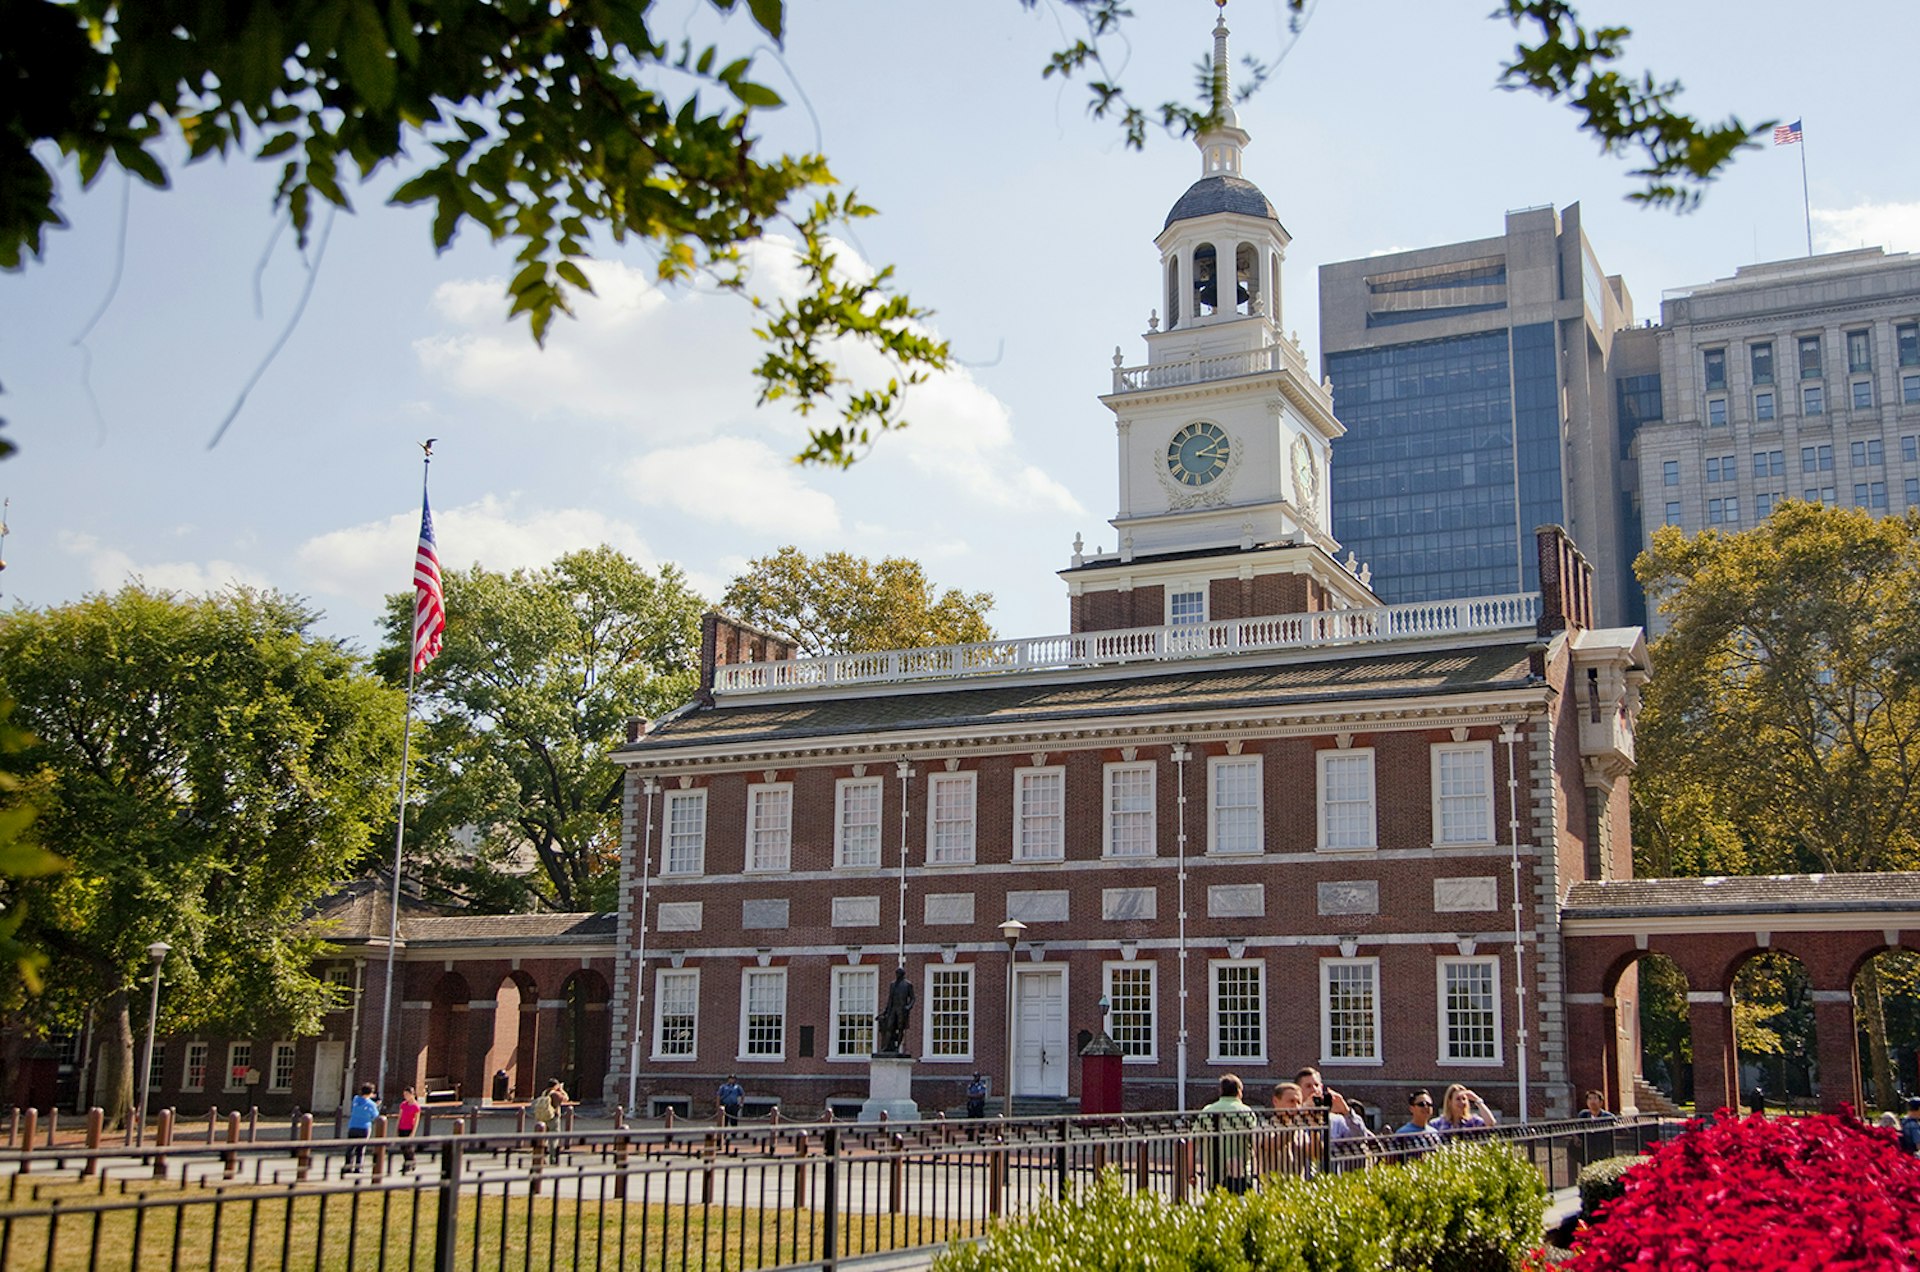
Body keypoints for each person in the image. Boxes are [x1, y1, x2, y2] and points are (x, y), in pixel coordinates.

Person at [1197, 1074, 1257, 1194]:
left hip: (1215, 1175)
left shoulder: (1207, 1111)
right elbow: (1255, 1141)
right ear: (1239, 1092)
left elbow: (1192, 1142)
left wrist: (1190, 1171)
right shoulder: (1246, 1112)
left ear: (1221, 1091)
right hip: (1241, 1173)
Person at [1295, 1067, 1362, 1140]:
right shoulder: (1292, 1117)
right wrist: (1302, 1112)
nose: (1314, 1089)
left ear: (1321, 1087)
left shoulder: (1336, 1120)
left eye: (1317, 1085)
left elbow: (1360, 1138)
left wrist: (1347, 1112)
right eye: (1308, 1086)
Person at [1394, 1089, 1443, 1158]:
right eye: (1421, 1104)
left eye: (1429, 1104)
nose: (1426, 1107)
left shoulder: (1435, 1133)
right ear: (1411, 1108)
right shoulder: (1402, 1134)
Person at [344, 1082, 379, 1174]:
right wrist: (376, 1105)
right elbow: (375, 1116)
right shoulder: (371, 1104)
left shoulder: (355, 1099)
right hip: (364, 1127)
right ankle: (358, 1167)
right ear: (371, 1092)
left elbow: (361, 1101)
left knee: (350, 1148)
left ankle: (348, 1166)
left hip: (353, 1126)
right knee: (361, 1149)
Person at [530, 1078, 568, 1162]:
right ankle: (552, 1157)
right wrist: (561, 1090)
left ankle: (540, 1156)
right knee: (553, 1138)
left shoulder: (544, 1093)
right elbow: (565, 1099)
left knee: (543, 1138)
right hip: (552, 1117)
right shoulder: (555, 1094)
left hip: (543, 1117)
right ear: (555, 1085)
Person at [1430, 1083, 1496, 1132]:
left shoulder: (1473, 1121)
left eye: (1464, 1099)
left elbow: (1490, 1123)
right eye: (1458, 1099)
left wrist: (1477, 1100)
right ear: (1449, 1101)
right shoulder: (1437, 1123)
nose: (1462, 1102)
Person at [396, 1085, 423, 1173]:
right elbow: (399, 1117)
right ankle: (407, 1163)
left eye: (407, 1094)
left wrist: (413, 1132)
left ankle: (411, 1163)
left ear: (412, 1094)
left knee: (408, 1147)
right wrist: (397, 1129)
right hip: (402, 1127)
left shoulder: (416, 1106)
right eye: (404, 1095)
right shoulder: (403, 1105)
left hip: (409, 1128)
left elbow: (416, 1120)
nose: (405, 1096)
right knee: (402, 1147)